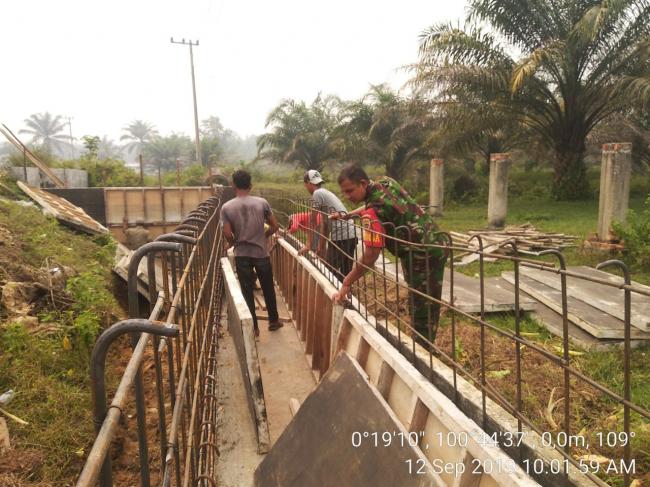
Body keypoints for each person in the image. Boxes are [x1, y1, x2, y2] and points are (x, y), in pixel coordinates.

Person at [332, 164, 447, 343]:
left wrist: (347, 282)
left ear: (363, 183)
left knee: (422, 308)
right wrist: (348, 215)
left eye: (350, 191)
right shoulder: (385, 183)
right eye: (344, 192)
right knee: (423, 301)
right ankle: (423, 344)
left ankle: (423, 355)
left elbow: (371, 254)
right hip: (434, 242)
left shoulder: (371, 214)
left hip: (419, 254)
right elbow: (376, 204)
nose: (347, 196)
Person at [220, 169, 282, 336]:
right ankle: (274, 321)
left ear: (233, 185)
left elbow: (227, 233)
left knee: (247, 291)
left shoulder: (227, 207)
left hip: (242, 255)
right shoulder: (262, 203)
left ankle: (253, 328)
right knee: (268, 287)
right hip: (261, 253)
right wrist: (263, 236)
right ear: (250, 185)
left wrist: (233, 242)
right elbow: (275, 226)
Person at [297, 170, 358, 280]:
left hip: (341, 236)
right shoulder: (324, 193)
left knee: (328, 272)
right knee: (345, 273)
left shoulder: (317, 193)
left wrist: (308, 245)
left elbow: (312, 220)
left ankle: (337, 294)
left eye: (305, 185)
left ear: (308, 183)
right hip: (351, 234)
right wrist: (320, 248)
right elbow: (324, 224)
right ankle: (346, 294)